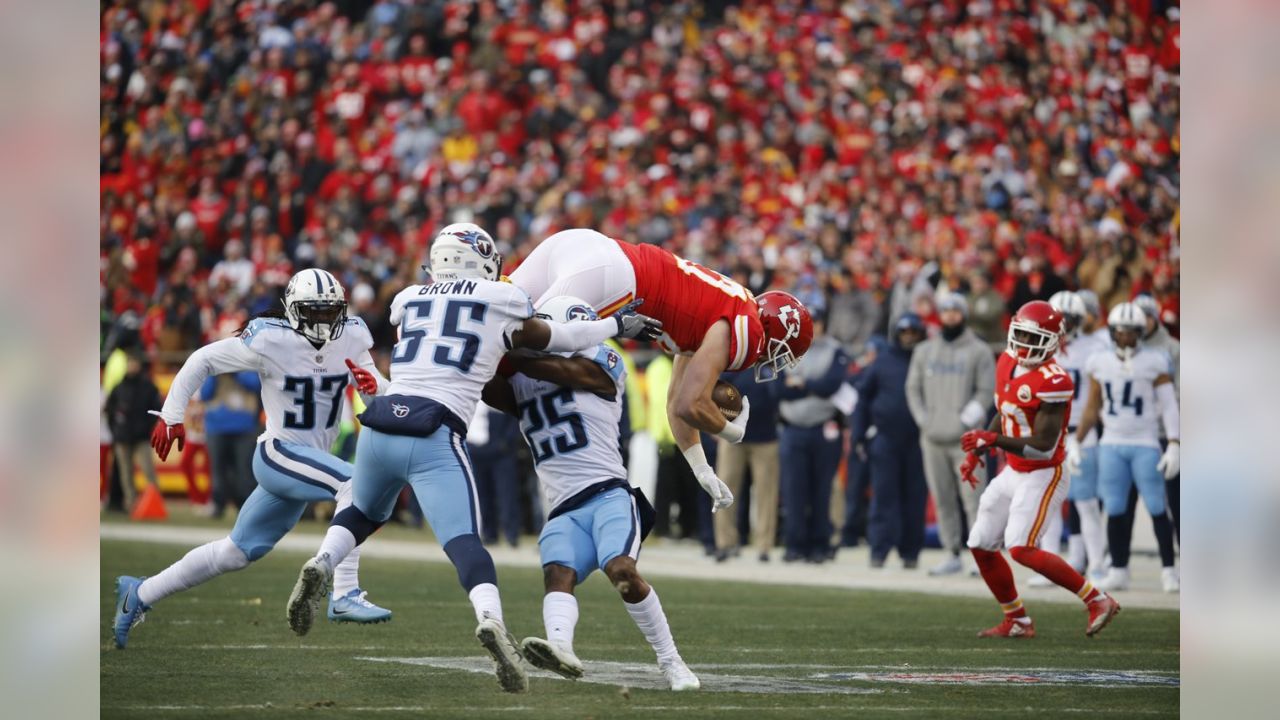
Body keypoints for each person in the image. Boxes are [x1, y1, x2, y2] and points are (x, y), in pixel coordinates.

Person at [284, 224, 662, 694]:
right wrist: (614, 325)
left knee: (363, 512)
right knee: (467, 545)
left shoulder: (409, 299)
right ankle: (491, 621)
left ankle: (323, 560)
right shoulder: (498, 299)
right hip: (432, 429)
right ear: (484, 260)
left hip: (379, 423)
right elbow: (555, 336)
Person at [112, 269, 393, 649]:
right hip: (279, 453)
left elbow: (376, 395)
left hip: (307, 465)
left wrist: (379, 392)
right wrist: (172, 414)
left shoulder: (354, 335)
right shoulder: (270, 339)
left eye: (331, 312)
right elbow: (203, 359)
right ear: (293, 310)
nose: (325, 322)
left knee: (235, 553)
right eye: (315, 312)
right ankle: (343, 592)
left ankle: (139, 593)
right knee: (356, 486)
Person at [509, 228, 813, 514]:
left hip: (587, 247)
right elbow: (690, 404)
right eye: (784, 352)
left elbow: (674, 405)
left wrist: (701, 468)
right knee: (515, 344)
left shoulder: (723, 308)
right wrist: (730, 431)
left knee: (491, 312)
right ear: (776, 333)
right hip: (615, 277)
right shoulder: (750, 330)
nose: (775, 361)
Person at [480, 295, 700, 691]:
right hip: (563, 506)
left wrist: (510, 351)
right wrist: (485, 346)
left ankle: (673, 662)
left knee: (622, 571)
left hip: (608, 494)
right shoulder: (522, 377)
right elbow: (485, 387)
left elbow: (571, 370)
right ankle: (561, 648)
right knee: (557, 574)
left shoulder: (602, 362)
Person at [959, 300, 1121, 638]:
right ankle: (1017, 620)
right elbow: (1004, 411)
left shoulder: (1054, 380)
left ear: (1052, 341)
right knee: (980, 542)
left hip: (1044, 471)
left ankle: (1097, 599)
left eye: (1033, 339)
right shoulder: (1006, 361)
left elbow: (1043, 444)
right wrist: (981, 449)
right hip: (1015, 469)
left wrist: (993, 439)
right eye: (1019, 335)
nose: (1023, 345)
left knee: (1021, 547)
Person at [1070, 302, 1181, 593]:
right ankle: (1119, 569)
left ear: (1141, 333)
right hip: (1111, 444)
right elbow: (1093, 406)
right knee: (1116, 508)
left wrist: (1174, 443)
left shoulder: (1155, 360)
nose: (1127, 338)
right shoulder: (1099, 361)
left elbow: (1169, 406)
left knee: (1158, 506)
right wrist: (1077, 440)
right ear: (1113, 333)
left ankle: (1170, 570)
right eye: (1121, 332)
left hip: (1145, 442)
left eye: (1132, 332)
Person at [905, 294, 996, 575]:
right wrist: (924, 420)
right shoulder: (924, 351)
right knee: (942, 498)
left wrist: (964, 421)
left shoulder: (979, 351)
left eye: (956, 311)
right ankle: (952, 552)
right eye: (946, 311)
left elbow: (985, 392)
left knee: (973, 499)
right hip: (932, 438)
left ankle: (982, 556)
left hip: (965, 440)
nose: (950, 316)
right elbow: (913, 389)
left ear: (964, 314)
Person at [852, 314, 928, 569]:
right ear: (897, 334)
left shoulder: (927, 359)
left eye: (913, 332)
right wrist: (859, 435)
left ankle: (910, 552)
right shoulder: (882, 362)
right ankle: (879, 550)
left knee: (914, 498)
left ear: (921, 334)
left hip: (919, 440)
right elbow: (862, 398)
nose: (908, 336)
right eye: (904, 332)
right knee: (884, 496)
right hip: (885, 438)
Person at [1045, 291, 1110, 581]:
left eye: (1068, 319)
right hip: (1048, 432)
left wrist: (1082, 435)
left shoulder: (1095, 346)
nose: (1062, 324)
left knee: (1086, 502)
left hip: (1081, 432)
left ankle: (1096, 564)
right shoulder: (1041, 347)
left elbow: (1098, 396)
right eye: (1058, 318)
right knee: (1048, 502)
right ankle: (1047, 566)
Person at [777, 315, 851, 563]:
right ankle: (795, 544)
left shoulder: (834, 349)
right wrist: (810, 386)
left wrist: (800, 384)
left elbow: (831, 384)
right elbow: (776, 388)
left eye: (818, 319)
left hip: (823, 428)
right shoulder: (784, 347)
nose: (815, 325)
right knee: (793, 490)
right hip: (792, 428)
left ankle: (820, 544)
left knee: (821, 490)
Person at [713, 368, 782, 563]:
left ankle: (764, 545)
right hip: (732, 435)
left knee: (766, 494)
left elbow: (781, 391)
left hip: (765, 437)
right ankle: (724, 542)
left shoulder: (772, 362)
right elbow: (715, 390)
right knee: (723, 489)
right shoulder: (733, 361)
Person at [199, 362, 262, 518]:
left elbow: (256, 385)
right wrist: (216, 374)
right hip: (216, 427)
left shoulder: (247, 365)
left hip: (243, 427)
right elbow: (205, 394)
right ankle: (218, 504)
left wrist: (236, 373)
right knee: (218, 470)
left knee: (244, 470)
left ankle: (244, 506)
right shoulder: (213, 369)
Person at [104, 352, 163, 512]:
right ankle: (131, 505)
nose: (132, 366)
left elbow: (156, 409)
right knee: (125, 474)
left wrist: (146, 427)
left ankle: (156, 503)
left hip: (141, 437)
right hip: (122, 437)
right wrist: (116, 431)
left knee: (148, 470)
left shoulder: (148, 386)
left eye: (134, 363)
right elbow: (109, 411)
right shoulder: (119, 387)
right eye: (130, 363)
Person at [467, 403, 523, 548]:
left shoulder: (498, 388)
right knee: (482, 495)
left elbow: (514, 418)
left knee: (506, 494)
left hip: (501, 451)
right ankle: (489, 534)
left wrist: (505, 443)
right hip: (476, 448)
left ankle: (511, 534)